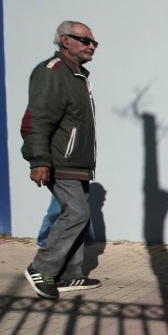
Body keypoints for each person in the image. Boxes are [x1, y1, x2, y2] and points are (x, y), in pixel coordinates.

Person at [21, 20, 102, 299]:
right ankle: (41, 269)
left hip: (77, 163)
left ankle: (69, 275)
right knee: (76, 213)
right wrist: (39, 161)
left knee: (81, 215)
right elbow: (37, 120)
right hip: (60, 161)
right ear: (65, 40)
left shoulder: (77, 75)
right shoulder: (52, 72)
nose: (91, 46)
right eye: (85, 40)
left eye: (94, 42)